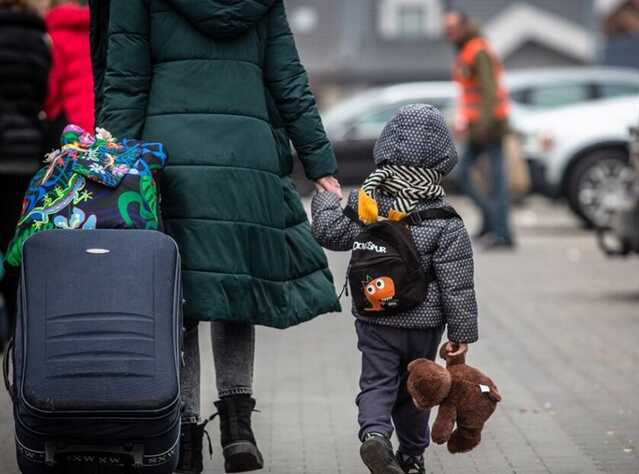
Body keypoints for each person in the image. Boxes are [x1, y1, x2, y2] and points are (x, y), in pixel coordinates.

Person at [90, 1, 342, 473]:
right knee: (232, 288)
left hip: (170, 160)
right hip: (245, 162)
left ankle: (184, 435)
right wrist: (320, 162)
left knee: (176, 299)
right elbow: (287, 78)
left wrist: (112, 167)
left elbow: (124, 82)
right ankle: (237, 426)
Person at [312, 104, 478, 474]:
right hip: (423, 327)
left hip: (376, 317)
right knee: (417, 389)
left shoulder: (367, 204)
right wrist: (461, 334)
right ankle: (413, 456)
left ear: (385, 146)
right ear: (442, 156)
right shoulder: (445, 219)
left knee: (377, 382)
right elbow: (457, 283)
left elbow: (329, 232)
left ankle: (374, 436)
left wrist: (325, 197)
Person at [0, 0, 51, 332]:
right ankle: (19, 324)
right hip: (23, 153)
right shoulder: (38, 40)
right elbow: (44, 94)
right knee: (14, 241)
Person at [444, 9, 514, 250]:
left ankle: (502, 233)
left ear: (464, 26)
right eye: (447, 30)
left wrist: (483, 124)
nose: (449, 34)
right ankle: (491, 223)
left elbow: (489, 91)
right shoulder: (466, 50)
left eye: (453, 28)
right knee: (464, 174)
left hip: (490, 126)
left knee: (495, 182)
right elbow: (468, 94)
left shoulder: (478, 50)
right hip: (478, 125)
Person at [44, 0, 94, 147]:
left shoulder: (53, 37)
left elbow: (51, 90)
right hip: (101, 115)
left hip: (72, 125)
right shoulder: (93, 32)